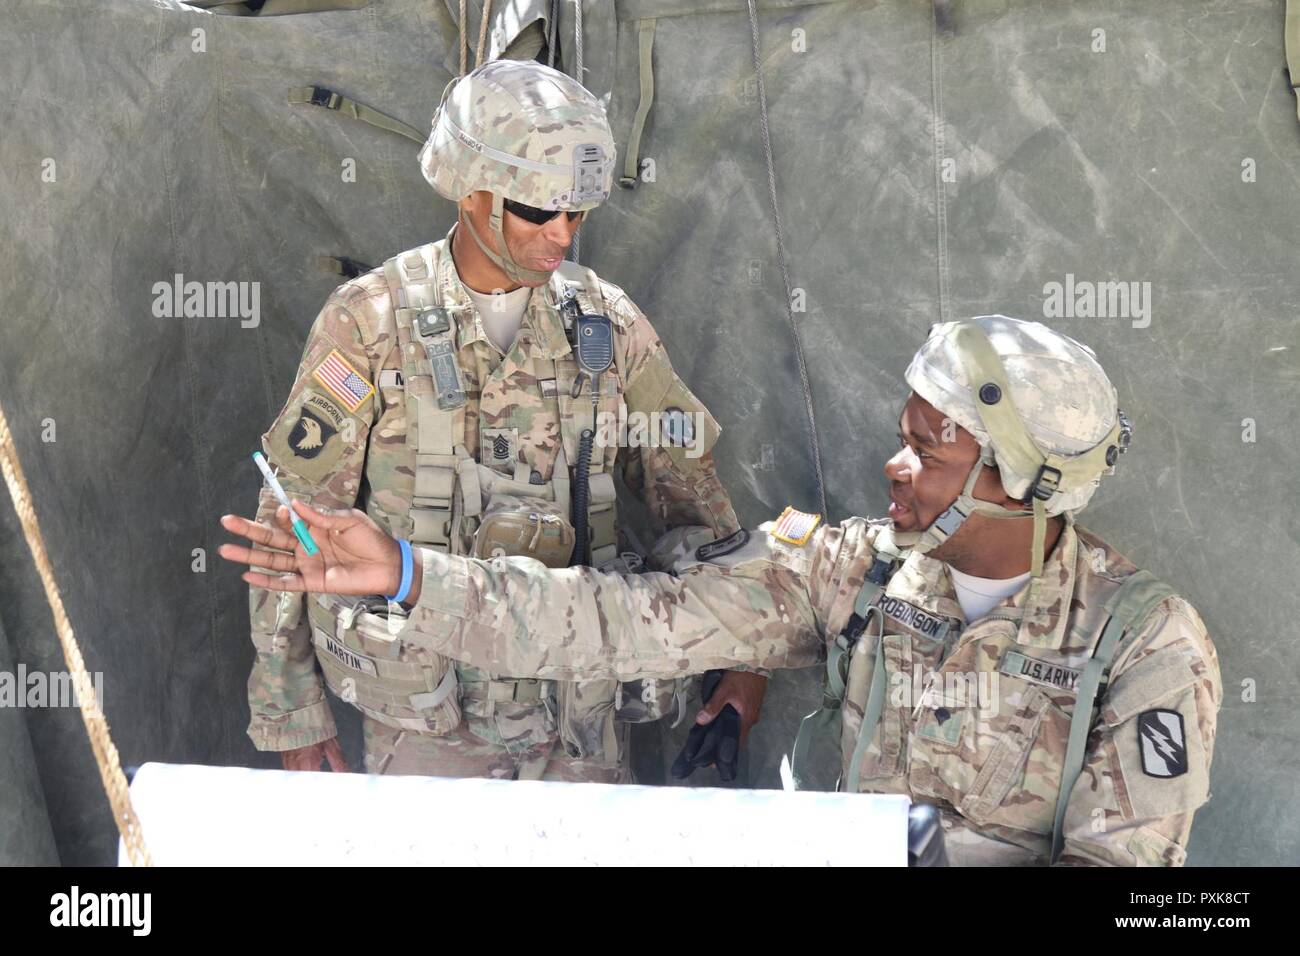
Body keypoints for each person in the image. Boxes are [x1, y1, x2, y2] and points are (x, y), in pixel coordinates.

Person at [223, 315, 1221, 866]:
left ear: (1026, 479)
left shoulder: (1144, 641)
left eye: (929, 448)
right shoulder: (853, 570)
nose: (894, 465)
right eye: (902, 435)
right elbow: (609, 624)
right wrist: (404, 573)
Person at [245, 57, 766, 783]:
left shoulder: (607, 326)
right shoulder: (371, 323)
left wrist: (741, 660)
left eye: (576, 213)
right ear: (473, 195)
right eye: (538, 210)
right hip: (427, 730)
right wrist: (290, 707)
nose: (562, 234)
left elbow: (697, 508)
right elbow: (296, 518)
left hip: (578, 725)